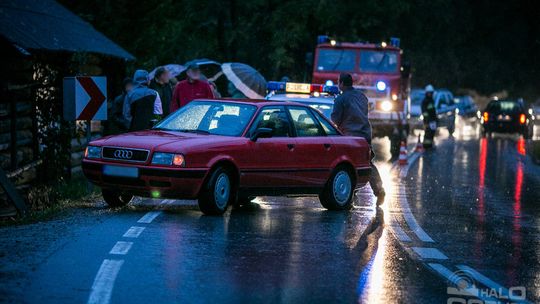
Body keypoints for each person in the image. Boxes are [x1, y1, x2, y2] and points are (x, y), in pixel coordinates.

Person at [331, 73, 385, 205]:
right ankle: (379, 189)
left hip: (349, 136)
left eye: (338, 82)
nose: (338, 84)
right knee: (367, 163)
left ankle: (350, 193)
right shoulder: (362, 96)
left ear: (342, 84)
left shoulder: (341, 99)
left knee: (347, 165)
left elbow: (335, 119)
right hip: (365, 134)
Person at [421, 84, 438, 149]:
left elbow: (433, 111)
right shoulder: (425, 101)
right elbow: (425, 112)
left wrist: (435, 118)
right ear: (426, 93)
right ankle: (426, 146)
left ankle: (430, 145)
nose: (430, 94)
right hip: (428, 120)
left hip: (432, 120)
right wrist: (427, 120)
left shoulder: (431, 100)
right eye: (429, 93)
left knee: (432, 133)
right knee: (428, 133)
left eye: (431, 93)